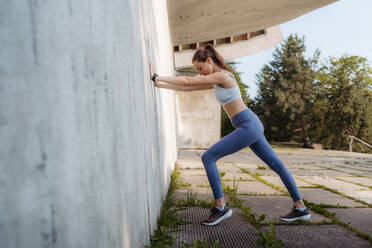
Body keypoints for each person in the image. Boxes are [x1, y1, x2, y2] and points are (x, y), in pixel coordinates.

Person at [149, 44, 311, 226]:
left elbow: (187, 81)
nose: (200, 73)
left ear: (209, 60)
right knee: (277, 165)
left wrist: (157, 76)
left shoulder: (222, 76)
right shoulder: (217, 79)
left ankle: (221, 207)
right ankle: (300, 208)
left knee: (208, 157)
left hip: (248, 126)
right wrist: (158, 82)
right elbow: (186, 88)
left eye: (200, 68)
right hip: (250, 124)